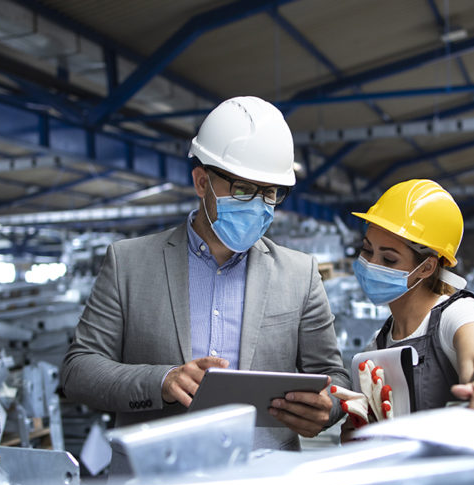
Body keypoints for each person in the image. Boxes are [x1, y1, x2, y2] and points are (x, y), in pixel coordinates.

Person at [60, 96, 349, 454]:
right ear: (202, 182)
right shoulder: (129, 264)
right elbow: (78, 371)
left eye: (270, 194)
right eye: (244, 191)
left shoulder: (299, 274)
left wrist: (327, 409)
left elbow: (334, 380)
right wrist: (163, 381)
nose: (259, 206)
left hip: (264, 482)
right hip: (156, 479)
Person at [341, 178, 474, 425]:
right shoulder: (377, 345)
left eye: (389, 259)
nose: (371, 265)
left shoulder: (458, 315)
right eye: (367, 250)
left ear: (426, 267)